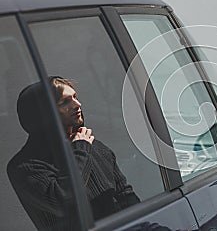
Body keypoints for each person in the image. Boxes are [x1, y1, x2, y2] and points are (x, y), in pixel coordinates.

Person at [7, 76, 140, 230]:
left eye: (75, 97)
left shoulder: (94, 147)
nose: (77, 104)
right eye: (65, 102)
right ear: (42, 114)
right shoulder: (24, 166)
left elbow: (126, 195)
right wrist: (81, 149)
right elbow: (64, 200)